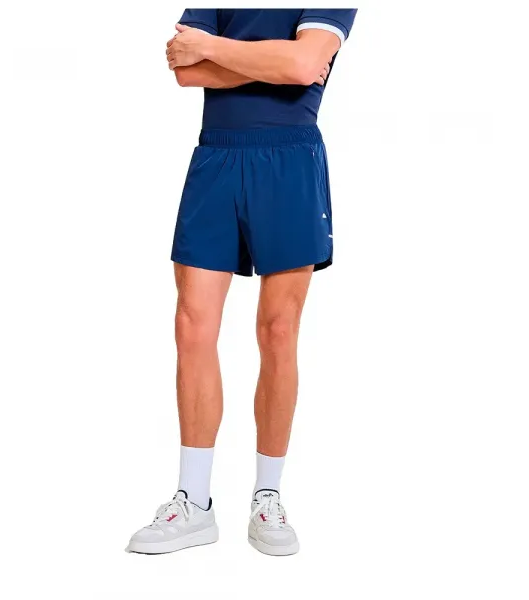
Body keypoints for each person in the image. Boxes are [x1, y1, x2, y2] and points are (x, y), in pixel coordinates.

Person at [126, 8, 357, 556]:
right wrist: (279, 62)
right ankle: (193, 502)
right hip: (217, 157)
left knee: (278, 330)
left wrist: (218, 49)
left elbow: (302, 65)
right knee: (191, 326)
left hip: (290, 159)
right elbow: (186, 70)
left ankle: (267, 497)